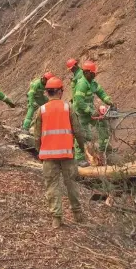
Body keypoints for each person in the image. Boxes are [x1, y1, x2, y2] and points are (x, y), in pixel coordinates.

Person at [34, 76, 85, 229]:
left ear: (47, 92)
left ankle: (56, 218)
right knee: (72, 184)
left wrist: (39, 152)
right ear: (60, 92)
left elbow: (37, 136)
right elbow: (78, 131)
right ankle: (78, 214)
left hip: (49, 156)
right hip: (67, 154)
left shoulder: (41, 110)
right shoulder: (68, 107)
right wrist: (83, 148)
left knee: (52, 186)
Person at [73, 60, 114, 166]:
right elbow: (79, 101)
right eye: (92, 73)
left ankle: (104, 150)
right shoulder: (82, 84)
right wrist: (91, 111)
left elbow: (101, 92)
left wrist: (108, 100)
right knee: (82, 135)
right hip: (81, 113)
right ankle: (79, 158)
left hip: (89, 111)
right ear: (86, 73)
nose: (94, 75)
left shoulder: (92, 83)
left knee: (103, 125)